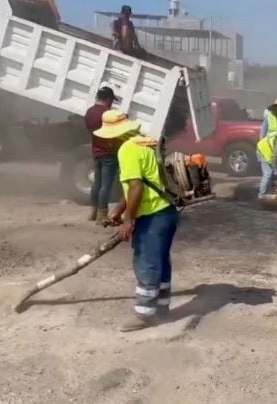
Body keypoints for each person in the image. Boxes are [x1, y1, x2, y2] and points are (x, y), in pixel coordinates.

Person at [95, 110, 179, 333]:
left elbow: (137, 187)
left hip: (152, 215)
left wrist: (128, 220)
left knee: (146, 262)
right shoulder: (144, 143)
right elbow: (143, 182)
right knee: (161, 261)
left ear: (114, 136)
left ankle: (144, 315)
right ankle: (162, 310)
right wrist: (119, 210)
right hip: (167, 212)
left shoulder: (127, 150)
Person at [85, 87, 119, 224]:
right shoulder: (107, 113)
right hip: (108, 152)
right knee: (106, 185)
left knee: (97, 183)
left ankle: (93, 212)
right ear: (108, 99)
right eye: (111, 101)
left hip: (96, 151)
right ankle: (102, 215)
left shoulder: (89, 112)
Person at [256, 98, 277, 199]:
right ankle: (262, 195)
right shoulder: (268, 116)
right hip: (264, 150)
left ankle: (269, 191)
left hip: (274, 143)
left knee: (269, 172)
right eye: (276, 107)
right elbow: (263, 130)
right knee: (268, 173)